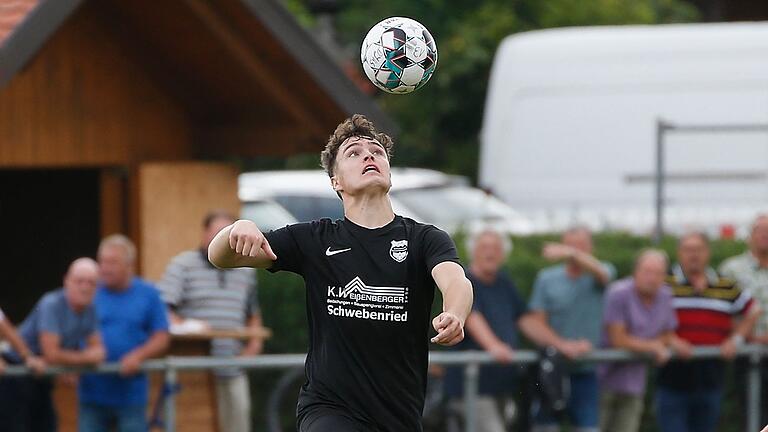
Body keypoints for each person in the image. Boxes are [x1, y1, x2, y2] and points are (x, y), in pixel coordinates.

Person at [209, 114, 474, 432]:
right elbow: (220, 257)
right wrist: (237, 229)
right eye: (354, 152)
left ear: (388, 171)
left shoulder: (425, 239)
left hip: (399, 416)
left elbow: (456, 280)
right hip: (328, 409)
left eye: (377, 152)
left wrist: (455, 314)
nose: (369, 156)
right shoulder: (315, 239)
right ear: (336, 181)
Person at [158, 210, 262, 432]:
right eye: (217, 233)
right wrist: (191, 328)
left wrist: (252, 350)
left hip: (233, 370)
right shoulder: (181, 266)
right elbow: (164, 311)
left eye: (228, 234)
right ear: (204, 234)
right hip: (194, 372)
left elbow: (253, 315)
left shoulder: (246, 271)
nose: (222, 240)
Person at [444, 228, 552, 432]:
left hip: (502, 384)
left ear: (503, 254)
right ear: (473, 251)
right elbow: (470, 316)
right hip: (471, 385)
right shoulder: (464, 282)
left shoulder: (503, 282)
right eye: (484, 247)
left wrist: (560, 345)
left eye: (495, 248)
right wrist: (494, 346)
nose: (490, 253)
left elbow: (526, 320)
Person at [656, 231, 759, 432]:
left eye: (699, 249)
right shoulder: (664, 284)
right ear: (679, 253)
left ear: (707, 253)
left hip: (711, 376)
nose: (693, 255)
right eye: (688, 249)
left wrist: (736, 340)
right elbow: (648, 320)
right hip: (672, 376)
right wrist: (671, 340)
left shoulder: (725, 285)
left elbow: (753, 310)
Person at [527, 227, 616, 432]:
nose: (575, 251)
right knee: (545, 427)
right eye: (571, 246)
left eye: (581, 246)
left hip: (586, 372)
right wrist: (563, 346)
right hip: (552, 369)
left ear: (591, 247)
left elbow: (602, 275)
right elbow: (536, 323)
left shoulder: (602, 271)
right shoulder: (546, 278)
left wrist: (571, 253)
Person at [0, 257, 104, 432]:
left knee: (47, 425)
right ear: (66, 280)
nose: (85, 287)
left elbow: (100, 352)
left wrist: (67, 362)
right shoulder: (51, 303)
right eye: (79, 281)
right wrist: (81, 359)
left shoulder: (90, 309)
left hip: (41, 377)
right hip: (17, 373)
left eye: (91, 283)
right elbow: (52, 353)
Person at [78, 235, 170, 432]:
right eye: (102, 261)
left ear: (129, 265)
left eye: (112, 262)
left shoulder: (148, 293)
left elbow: (162, 337)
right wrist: (72, 360)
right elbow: (72, 330)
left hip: (131, 395)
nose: (105, 268)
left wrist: (139, 355)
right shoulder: (89, 291)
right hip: (92, 393)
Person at [598, 249, 686, 432]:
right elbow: (618, 339)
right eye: (647, 272)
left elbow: (667, 333)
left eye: (658, 273)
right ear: (635, 271)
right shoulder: (618, 293)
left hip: (635, 382)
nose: (652, 278)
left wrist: (670, 343)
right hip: (603, 379)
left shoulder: (665, 295)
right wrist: (654, 346)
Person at [719, 214, 768, 426]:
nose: (765, 235)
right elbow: (721, 309)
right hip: (746, 354)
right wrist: (747, 336)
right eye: (760, 230)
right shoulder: (731, 268)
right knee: (751, 415)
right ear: (750, 236)